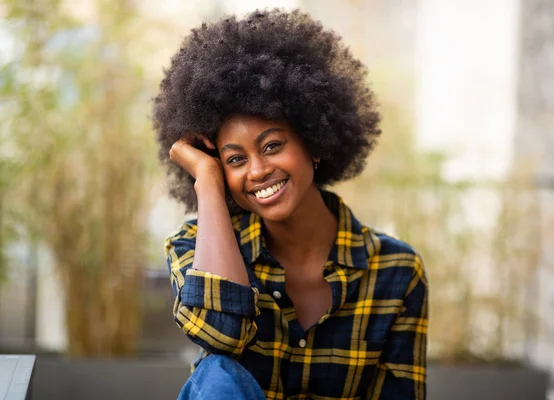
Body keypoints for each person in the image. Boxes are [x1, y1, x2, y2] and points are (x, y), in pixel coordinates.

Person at [154, 9, 428, 400]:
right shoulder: (192, 248)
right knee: (218, 375)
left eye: (272, 146)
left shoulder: (397, 272)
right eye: (235, 160)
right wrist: (209, 184)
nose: (258, 170)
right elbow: (221, 335)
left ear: (313, 143)